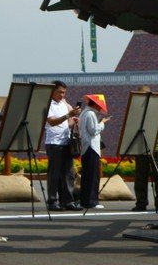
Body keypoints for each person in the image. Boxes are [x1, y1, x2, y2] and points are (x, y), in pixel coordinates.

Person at [44, 80, 81, 211]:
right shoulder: (48, 104)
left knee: (68, 173)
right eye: (60, 92)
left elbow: (66, 124)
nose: (62, 95)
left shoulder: (63, 104)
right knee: (54, 174)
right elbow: (52, 122)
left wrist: (73, 121)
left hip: (66, 141)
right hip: (54, 143)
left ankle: (67, 201)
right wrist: (68, 115)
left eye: (64, 92)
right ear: (52, 91)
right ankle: (52, 201)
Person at [133, 90, 158, 212]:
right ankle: (141, 203)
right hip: (140, 149)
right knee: (140, 178)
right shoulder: (136, 112)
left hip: (157, 148)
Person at [78, 94, 110, 209]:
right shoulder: (91, 114)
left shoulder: (84, 112)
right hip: (91, 147)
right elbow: (93, 130)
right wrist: (102, 123)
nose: (100, 108)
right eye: (99, 106)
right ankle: (92, 201)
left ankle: (85, 200)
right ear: (96, 105)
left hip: (87, 147)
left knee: (87, 176)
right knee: (93, 176)